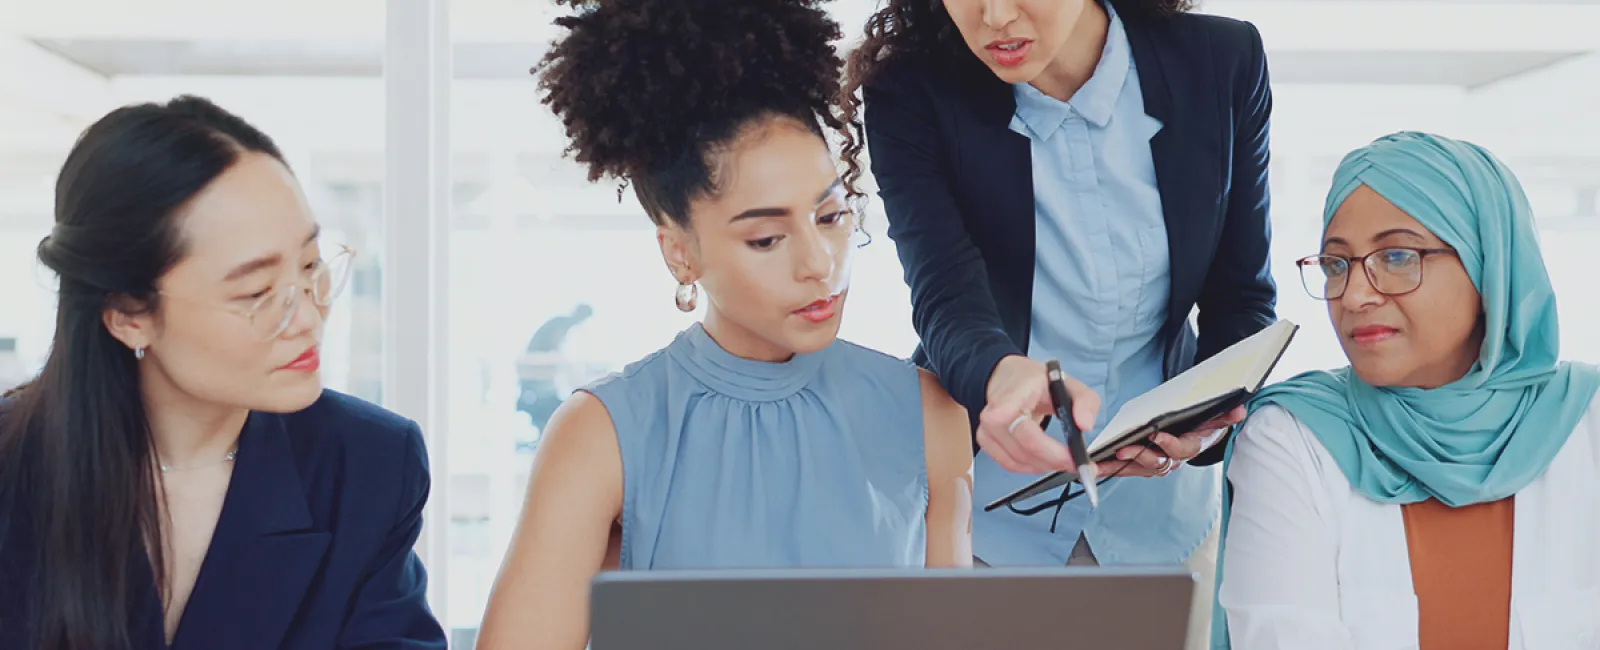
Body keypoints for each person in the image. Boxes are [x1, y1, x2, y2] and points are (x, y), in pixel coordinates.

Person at [473, 1, 975, 648]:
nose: (820, 264)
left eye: (830, 216)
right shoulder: (602, 435)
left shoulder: (929, 415)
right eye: (767, 239)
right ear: (679, 253)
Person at [842, 1, 1276, 645]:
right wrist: (998, 374)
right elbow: (944, 293)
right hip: (985, 514)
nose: (993, 16)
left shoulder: (1221, 61)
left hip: (1162, 521)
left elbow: (1241, 297)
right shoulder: (912, 90)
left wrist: (1202, 425)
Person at [0, 96, 446, 650]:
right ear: (127, 315)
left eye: (310, 267)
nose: (308, 316)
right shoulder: (14, 467)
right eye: (256, 294)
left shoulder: (366, 464)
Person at [1215, 132, 1600, 650]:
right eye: (1336, 265)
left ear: (1488, 264)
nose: (1353, 296)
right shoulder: (1293, 436)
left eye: (1397, 257)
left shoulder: (1587, 422)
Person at [516, 303, 593, 431]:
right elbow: (555, 348)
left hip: (539, 379)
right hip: (537, 377)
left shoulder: (562, 324)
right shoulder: (562, 325)